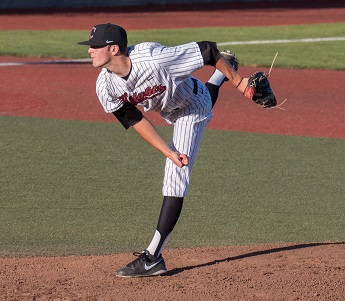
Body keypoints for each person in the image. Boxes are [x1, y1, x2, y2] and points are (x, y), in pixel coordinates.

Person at [78, 23, 275, 278]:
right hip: (174, 104)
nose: (90, 51)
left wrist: (240, 84)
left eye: (95, 46)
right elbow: (135, 120)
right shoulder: (105, 86)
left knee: (176, 172)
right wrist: (166, 150)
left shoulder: (153, 58)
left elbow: (207, 50)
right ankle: (219, 77)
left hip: (191, 108)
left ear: (114, 48)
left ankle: (153, 257)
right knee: (192, 118)